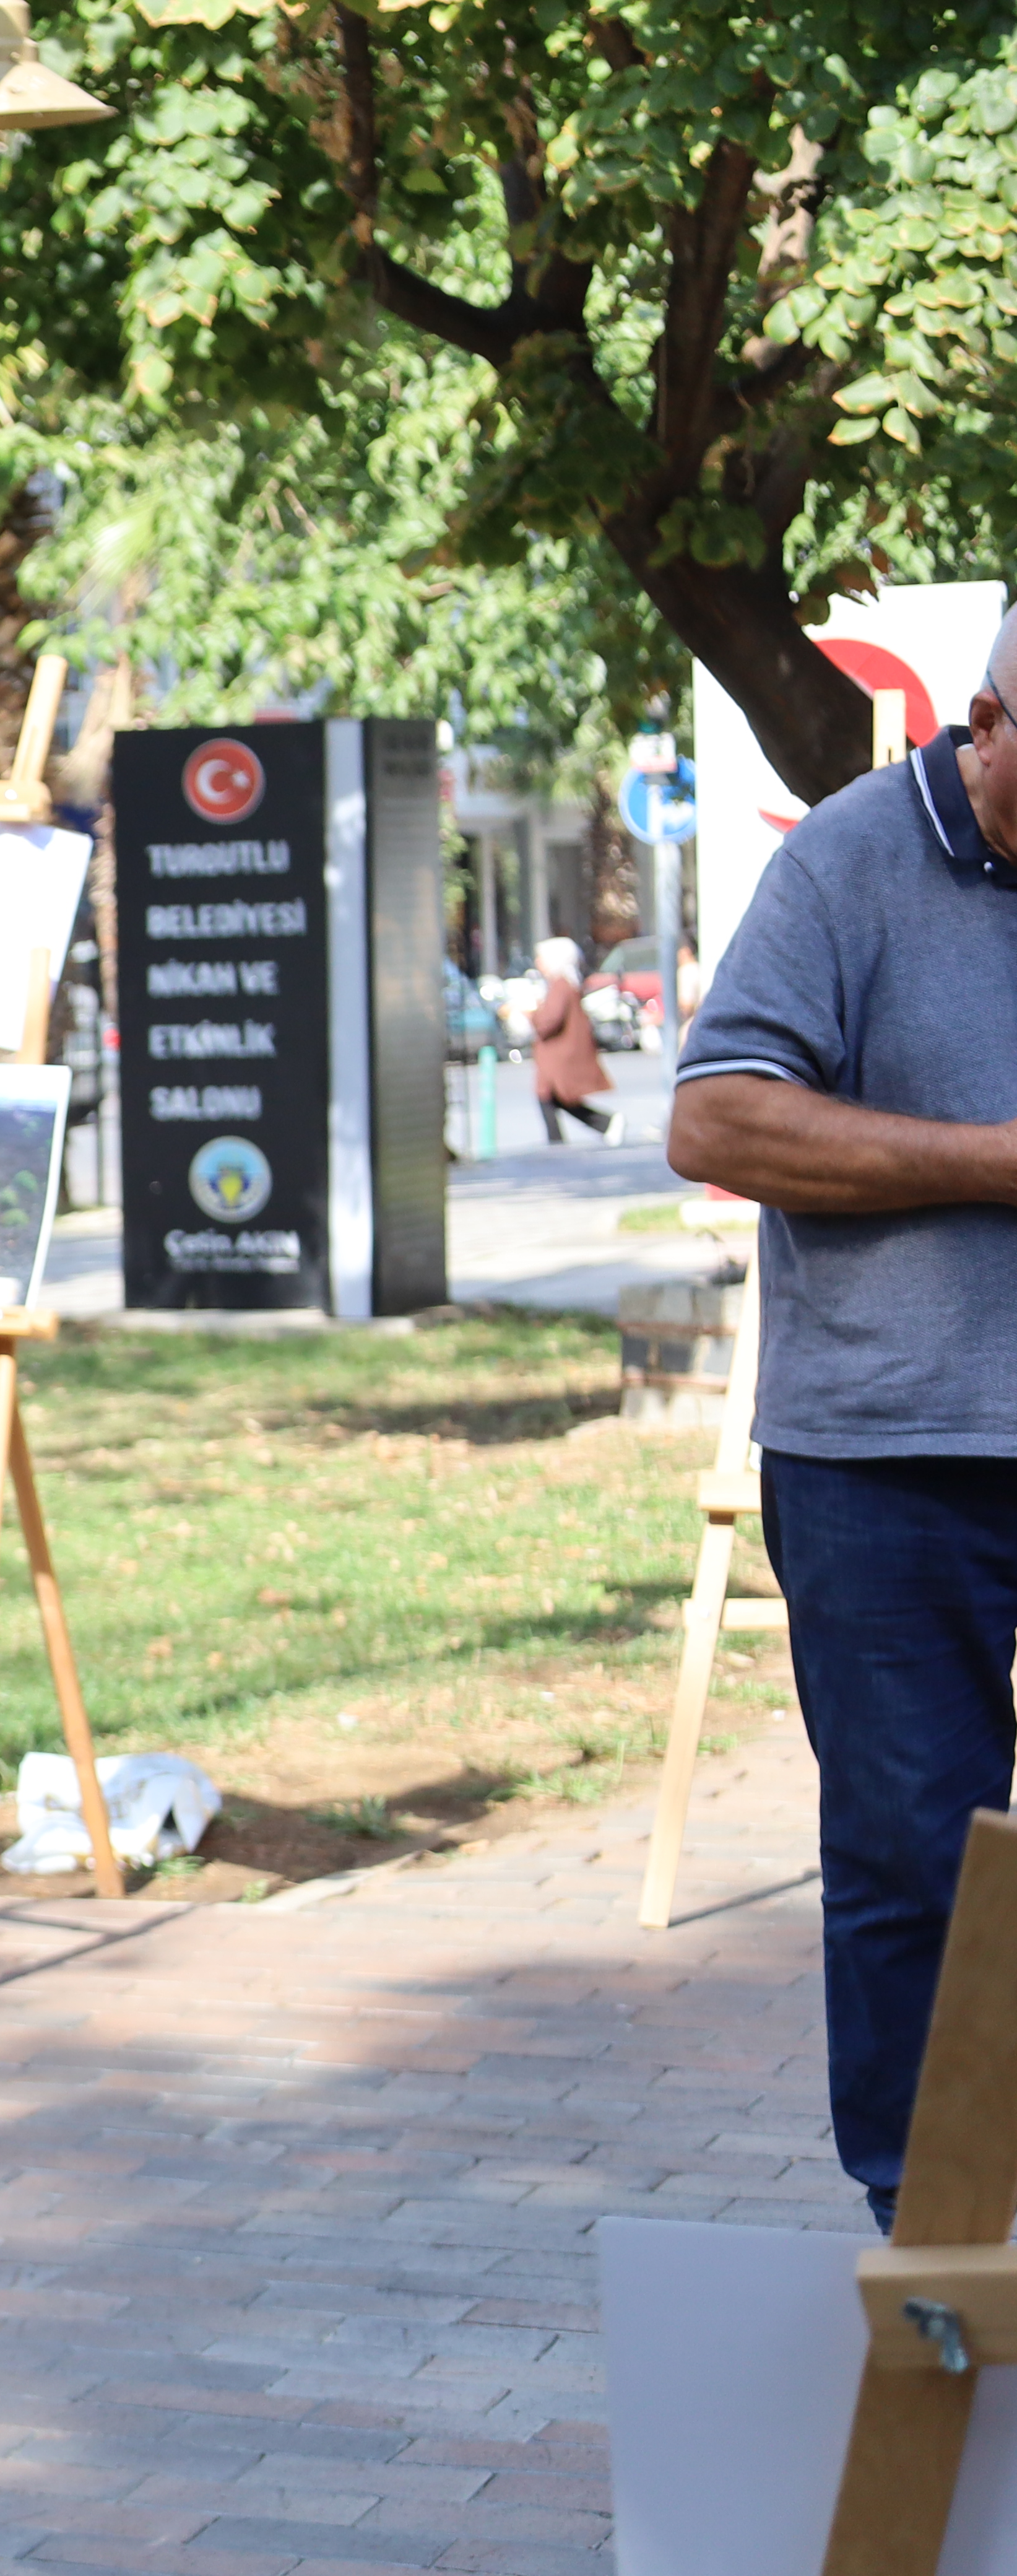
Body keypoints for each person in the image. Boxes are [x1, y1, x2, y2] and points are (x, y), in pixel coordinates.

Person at [669, 603, 1017, 2232]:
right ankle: (928, 2243)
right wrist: (1000, 1159)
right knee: (917, 1867)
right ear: (992, 717)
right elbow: (719, 1120)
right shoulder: (852, 863)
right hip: (889, 1456)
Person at [527, 936, 612, 1143]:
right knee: (551, 1096)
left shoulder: (561, 985)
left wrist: (531, 1014)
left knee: (550, 1096)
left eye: (542, 958)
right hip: (557, 1053)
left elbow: (549, 1020)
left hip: (558, 1054)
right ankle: (604, 1124)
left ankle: (603, 1124)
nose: (538, 963)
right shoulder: (563, 984)